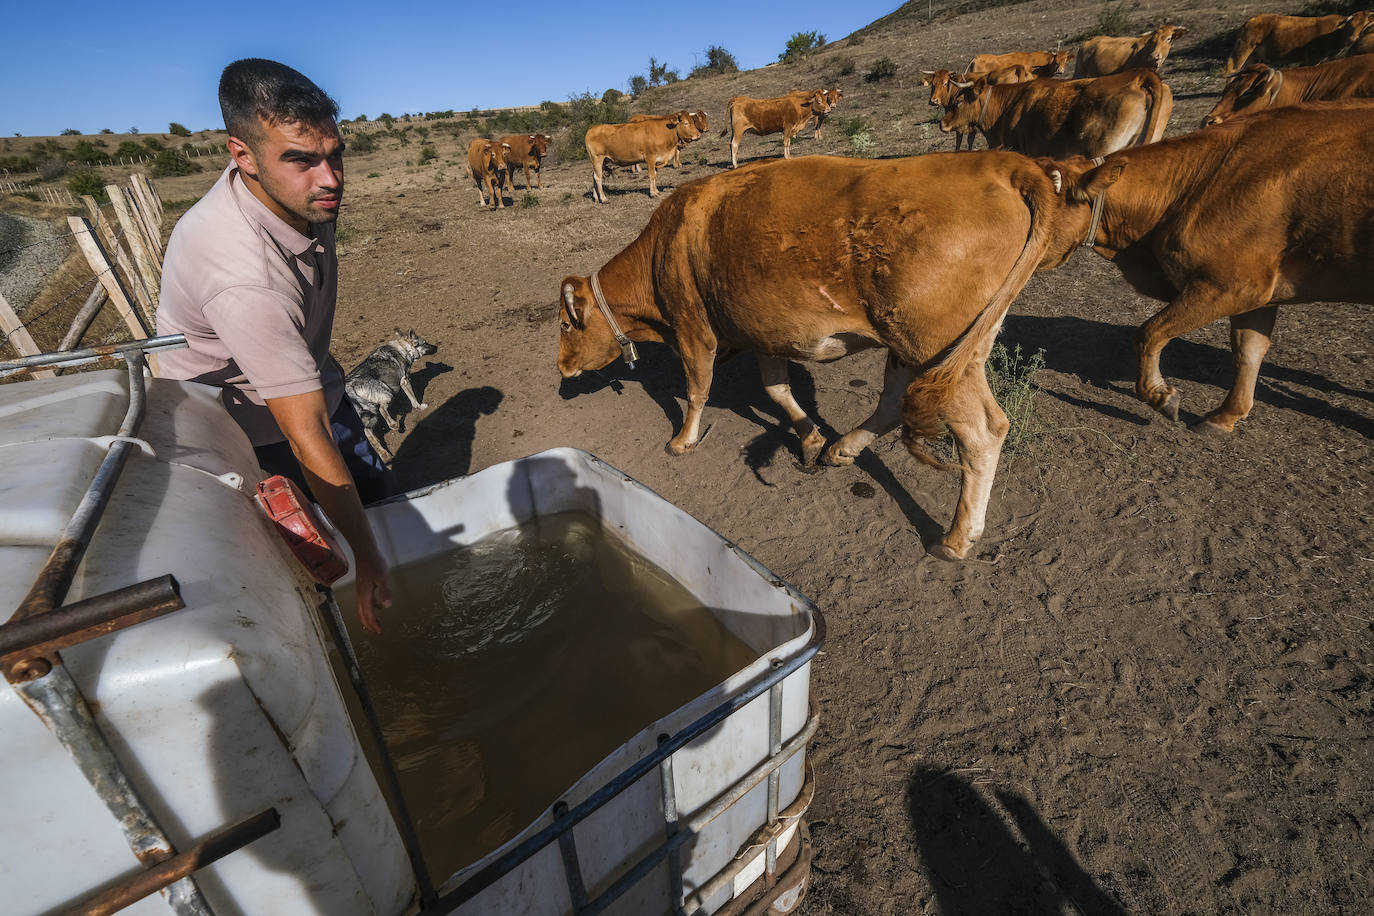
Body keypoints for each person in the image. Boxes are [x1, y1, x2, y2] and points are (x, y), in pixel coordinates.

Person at [156, 58, 392, 633]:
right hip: (248, 433)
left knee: (375, 497)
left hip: (312, 389)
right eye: (302, 160)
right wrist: (366, 562)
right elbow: (303, 435)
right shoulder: (243, 278)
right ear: (242, 155)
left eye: (335, 153)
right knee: (310, 569)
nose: (330, 177)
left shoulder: (300, 198)